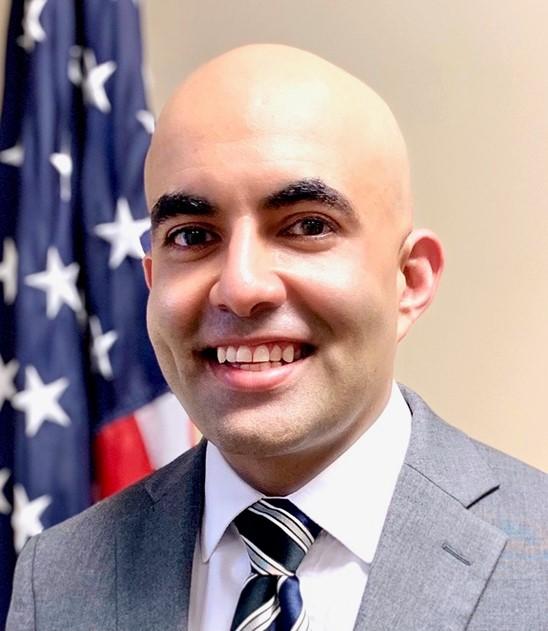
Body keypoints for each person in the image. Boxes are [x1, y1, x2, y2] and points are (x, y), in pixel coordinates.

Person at [7, 44, 547, 631]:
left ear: (409, 281)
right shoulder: (56, 577)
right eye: (191, 235)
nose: (239, 287)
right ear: (152, 279)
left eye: (308, 226)